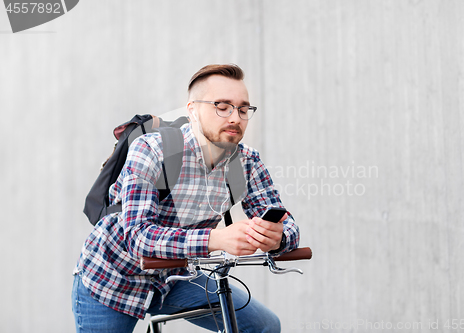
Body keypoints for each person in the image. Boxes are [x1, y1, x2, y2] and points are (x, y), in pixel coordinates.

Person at [72, 64, 300, 332]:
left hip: (175, 277)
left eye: (242, 109)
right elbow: (137, 237)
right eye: (222, 106)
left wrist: (278, 237)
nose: (235, 118)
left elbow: (288, 224)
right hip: (113, 277)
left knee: (263, 326)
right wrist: (215, 239)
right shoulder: (151, 149)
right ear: (192, 109)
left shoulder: (247, 161)